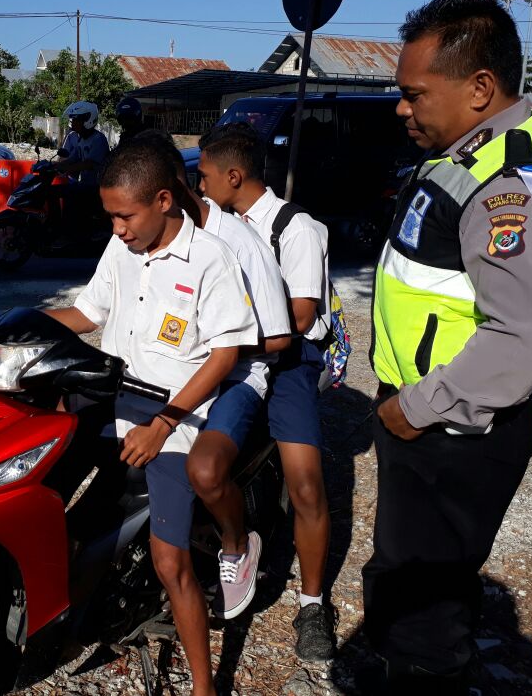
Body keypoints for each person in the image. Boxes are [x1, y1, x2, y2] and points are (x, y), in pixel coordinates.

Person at [366, 0, 532, 693]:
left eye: (414, 94)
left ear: (480, 88)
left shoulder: (507, 184)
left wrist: (417, 406)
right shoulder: (468, 149)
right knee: (407, 579)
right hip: (431, 417)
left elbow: (519, 336)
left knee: (425, 619)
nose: (403, 108)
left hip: (452, 429)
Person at [36, 141, 258, 696]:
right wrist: (20, 325)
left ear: (163, 200)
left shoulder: (212, 258)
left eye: (125, 216)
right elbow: (89, 312)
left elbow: (225, 354)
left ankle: (205, 686)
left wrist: (163, 423)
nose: (117, 228)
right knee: (51, 502)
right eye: (110, 215)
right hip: (112, 404)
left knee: (168, 559)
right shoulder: (122, 248)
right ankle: (63, 624)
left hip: (174, 419)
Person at [135, 130, 294, 621]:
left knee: (202, 469)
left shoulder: (236, 243)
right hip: (180, 365)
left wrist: (217, 344)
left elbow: (280, 338)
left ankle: (235, 543)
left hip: (238, 373)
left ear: (172, 192)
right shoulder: (150, 237)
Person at [197, 122, 336, 661]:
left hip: (289, 361)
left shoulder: (296, 229)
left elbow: (299, 317)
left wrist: (229, 337)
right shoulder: (219, 224)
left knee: (307, 484)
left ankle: (312, 603)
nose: (201, 184)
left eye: (205, 175)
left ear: (234, 175)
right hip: (237, 355)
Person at [50, 101, 110, 241]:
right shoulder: (81, 139)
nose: (73, 123)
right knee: (52, 191)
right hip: (85, 185)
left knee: (70, 195)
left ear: (87, 120)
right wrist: (54, 166)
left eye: (76, 120)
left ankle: (65, 233)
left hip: (96, 187)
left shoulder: (98, 140)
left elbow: (88, 164)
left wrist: (67, 169)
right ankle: (55, 227)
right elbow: (73, 158)